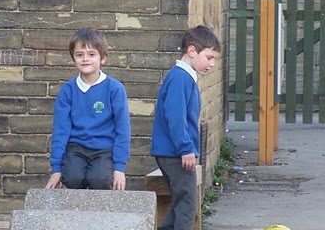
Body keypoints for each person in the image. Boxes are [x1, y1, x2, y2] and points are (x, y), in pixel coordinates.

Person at [151, 25, 221, 229]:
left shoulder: (184, 77)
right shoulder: (180, 79)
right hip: (174, 153)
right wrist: (185, 148)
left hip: (174, 152)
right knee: (188, 204)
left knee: (184, 202)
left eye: (214, 59)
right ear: (192, 51)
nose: (212, 64)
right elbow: (176, 118)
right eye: (209, 57)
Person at [45, 28, 130, 190]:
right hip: (76, 148)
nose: (85, 59)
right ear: (73, 58)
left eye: (92, 54)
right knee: (71, 178)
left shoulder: (114, 89)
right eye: (79, 54)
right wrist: (56, 169)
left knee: (99, 180)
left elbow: (123, 129)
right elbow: (60, 130)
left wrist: (119, 168)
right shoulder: (67, 90)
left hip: (103, 149)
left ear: (102, 58)